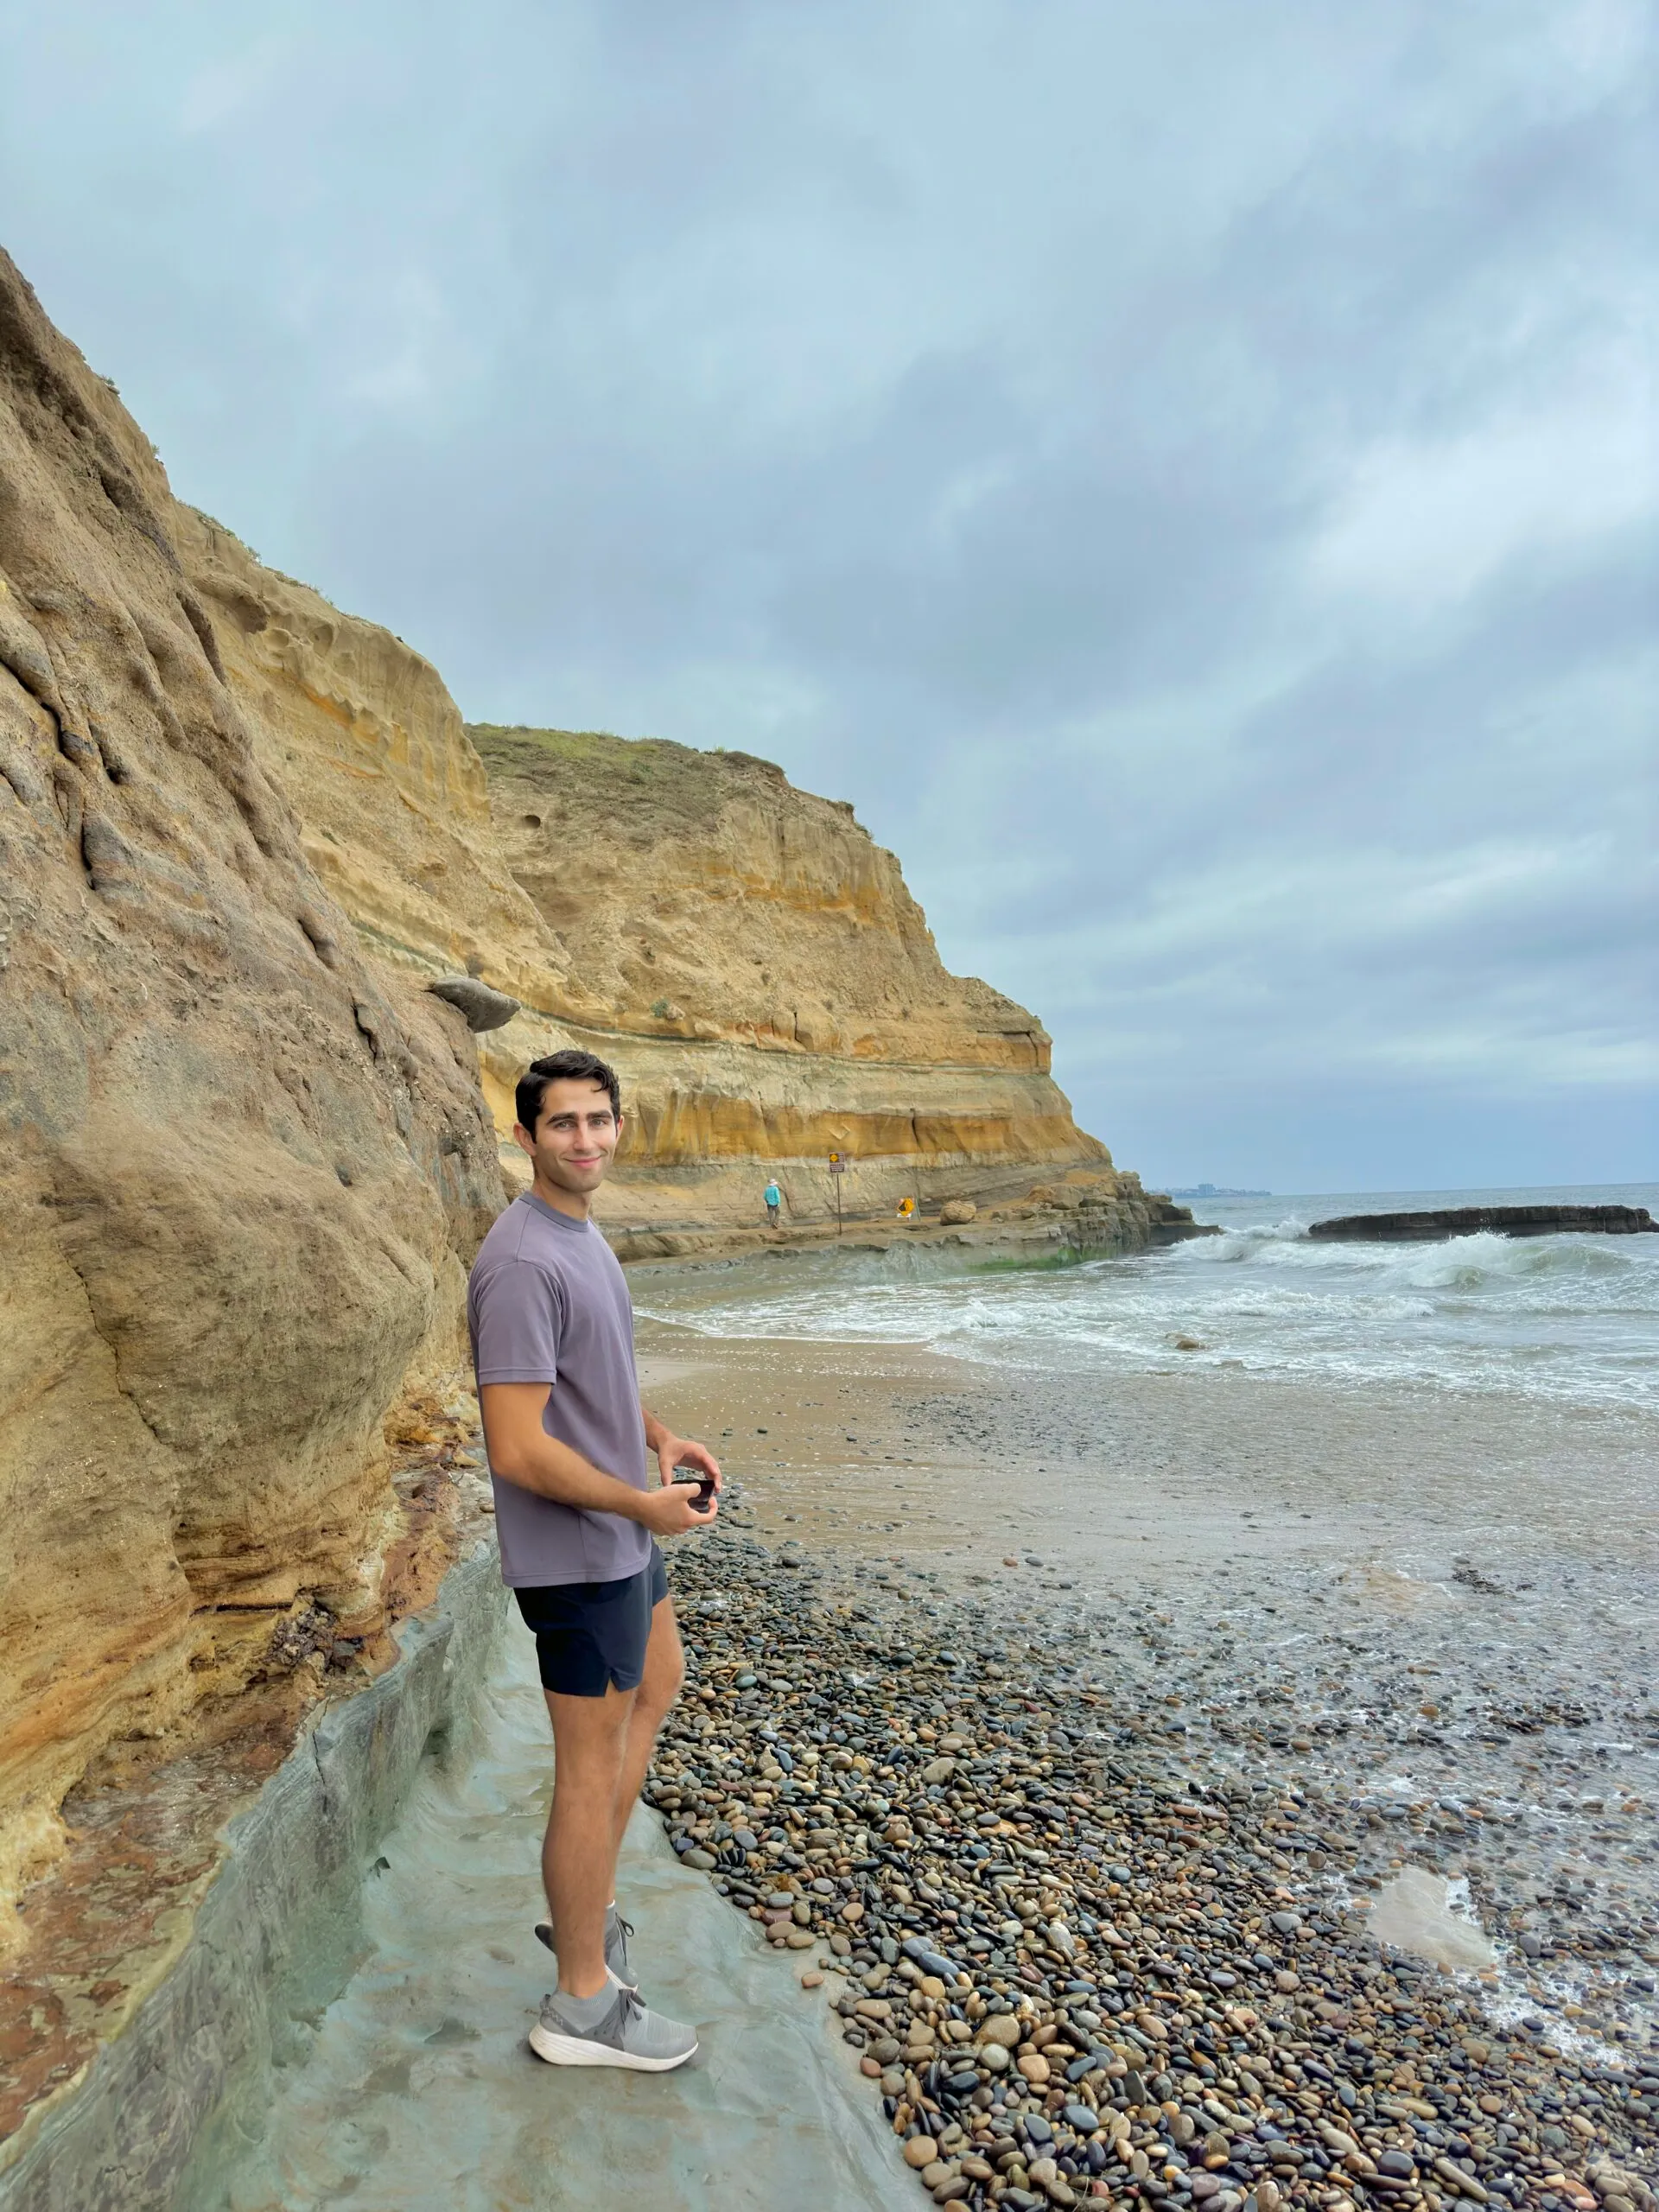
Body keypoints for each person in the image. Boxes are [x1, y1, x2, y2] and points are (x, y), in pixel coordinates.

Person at [468, 1047, 721, 2072]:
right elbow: (518, 1445)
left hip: (621, 1527)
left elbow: (595, 1382)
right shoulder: (523, 1260)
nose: (587, 1139)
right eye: (565, 1123)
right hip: (579, 1554)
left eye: (600, 1120)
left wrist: (658, 1437)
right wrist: (640, 1507)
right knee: (586, 1768)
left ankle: (591, 1908)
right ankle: (578, 2002)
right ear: (525, 1137)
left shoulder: (580, 1232)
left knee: (660, 1678)